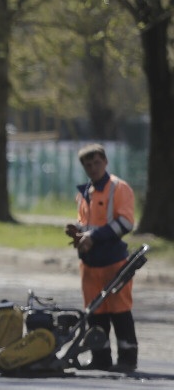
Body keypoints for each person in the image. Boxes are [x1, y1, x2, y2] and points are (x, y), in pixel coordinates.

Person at [64, 143, 138, 372]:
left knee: (120, 311)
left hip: (113, 261)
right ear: (84, 167)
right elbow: (87, 223)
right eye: (88, 164)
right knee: (96, 313)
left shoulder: (119, 188)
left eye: (97, 162)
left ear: (105, 162)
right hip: (90, 262)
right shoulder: (85, 192)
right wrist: (77, 231)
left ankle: (127, 359)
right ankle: (101, 357)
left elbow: (126, 222)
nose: (93, 168)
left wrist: (93, 237)